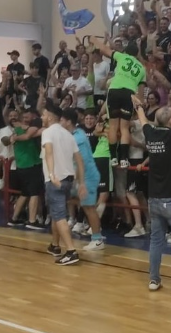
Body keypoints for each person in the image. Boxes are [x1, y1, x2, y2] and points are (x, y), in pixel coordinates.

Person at [131, 95, 171, 291]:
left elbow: (142, 118)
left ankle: (154, 280)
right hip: (169, 199)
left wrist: (137, 104)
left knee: (156, 242)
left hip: (153, 199)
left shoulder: (151, 134)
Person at [88, 36, 146, 168]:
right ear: (137, 54)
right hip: (129, 94)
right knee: (124, 128)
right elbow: (141, 95)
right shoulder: (142, 69)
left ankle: (113, 158)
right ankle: (124, 159)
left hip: (114, 91)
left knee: (113, 126)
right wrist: (138, 109)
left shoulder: (122, 56)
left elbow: (104, 49)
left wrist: (94, 40)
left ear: (126, 51)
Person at [42, 100, 86, 265]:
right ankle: (55, 245)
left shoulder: (47, 132)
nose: (42, 117)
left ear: (50, 117)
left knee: (60, 216)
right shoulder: (69, 134)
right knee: (56, 212)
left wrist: (52, 174)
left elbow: (49, 152)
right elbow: (79, 160)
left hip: (55, 180)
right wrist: (81, 182)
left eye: (44, 114)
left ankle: (71, 251)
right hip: (68, 179)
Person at [60, 109, 104, 251]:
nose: (60, 122)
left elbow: (81, 162)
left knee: (89, 208)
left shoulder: (77, 139)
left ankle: (97, 239)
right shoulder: (76, 133)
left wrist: (80, 182)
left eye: (62, 120)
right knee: (78, 202)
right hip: (81, 176)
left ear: (68, 122)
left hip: (87, 176)